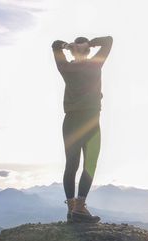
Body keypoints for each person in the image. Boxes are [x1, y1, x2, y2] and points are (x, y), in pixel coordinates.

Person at [51, 36, 113, 223]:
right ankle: (79, 207)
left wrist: (67, 46)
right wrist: (90, 44)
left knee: (71, 164)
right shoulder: (95, 64)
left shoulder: (65, 68)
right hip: (91, 122)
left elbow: (54, 45)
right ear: (88, 50)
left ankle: (72, 209)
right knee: (90, 164)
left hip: (70, 122)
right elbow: (108, 41)